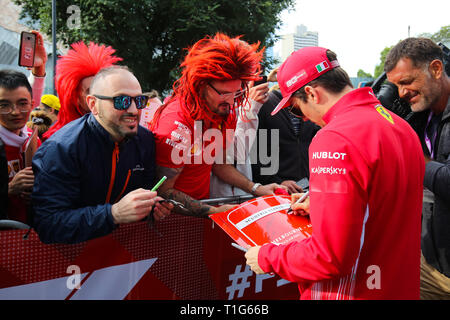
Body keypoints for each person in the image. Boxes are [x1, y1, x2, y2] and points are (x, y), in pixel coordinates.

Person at [244, 46, 425, 300]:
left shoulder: (335, 138)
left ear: (311, 93)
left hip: (355, 289)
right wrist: (323, 204)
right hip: (397, 285)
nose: (304, 118)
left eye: (296, 109)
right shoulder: (398, 125)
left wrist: (267, 257)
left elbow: (330, 256)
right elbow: (381, 204)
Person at [32, 66, 172, 244]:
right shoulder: (61, 148)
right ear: (93, 104)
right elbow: (48, 224)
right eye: (121, 101)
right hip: (69, 260)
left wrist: (150, 208)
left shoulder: (144, 140)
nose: (134, 110)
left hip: (124, 255)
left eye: (139, 101)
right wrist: (113, 214)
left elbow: (143, 192)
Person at [151, 33, 284, 216]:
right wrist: (212, 210)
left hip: (201, 213)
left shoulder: (223, 112)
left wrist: (256, 188)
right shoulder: (177, 123)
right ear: (201, 85)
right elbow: (163, 191)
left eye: (236, 93)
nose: (230, 102)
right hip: (169, 219)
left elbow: (218, 164)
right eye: (223, 93)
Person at [385, 37, 450, 299]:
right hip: (430, 267)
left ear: (436, 69)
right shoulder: (421, 117)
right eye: (396, 86)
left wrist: (415, 156)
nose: (402, 92)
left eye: (407, 82)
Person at [252, 68, 320, 194]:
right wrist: (276, 181)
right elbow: (257, 151)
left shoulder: (310, 103)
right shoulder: (267, 104)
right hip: (276, 190)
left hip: (306, 188)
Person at [42, 41, 122, 141]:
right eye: (89, 90)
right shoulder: (60, 139)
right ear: (76, 98)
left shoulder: (118, 131)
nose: (97, 95)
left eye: (102, 89)